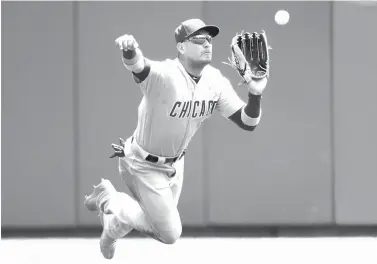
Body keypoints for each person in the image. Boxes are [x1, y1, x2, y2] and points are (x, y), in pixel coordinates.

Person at [84, 18, 269, 259]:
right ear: (181, 47)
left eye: (210, 39)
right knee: (170, 233)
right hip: (142, 164)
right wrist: (130, 49)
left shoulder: (215, 81)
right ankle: (109, 200)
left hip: (175, 165)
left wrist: (255, 94)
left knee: (153, 221)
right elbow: (138, 65)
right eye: (199, 39)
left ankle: (111, 228)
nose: (207, 44)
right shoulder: (165, 74)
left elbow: (248, 122)